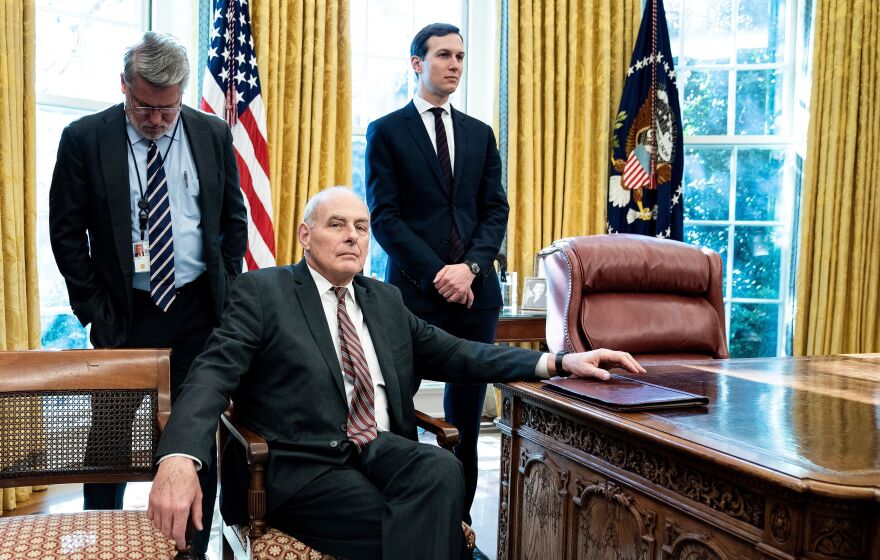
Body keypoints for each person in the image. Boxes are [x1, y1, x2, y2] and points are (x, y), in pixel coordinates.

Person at [147, 187, 644, 560]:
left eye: (362, 227)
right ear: (305, 235)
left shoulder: (383, 299)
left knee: (442, 468)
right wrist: (180, 455)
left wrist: (556, 361)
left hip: (382, 449)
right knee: (433, 526)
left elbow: (458, 353)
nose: (352, 237)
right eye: (337, 225)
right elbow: (212, 373)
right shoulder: (264, 292)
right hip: (304, 466)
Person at [49, 31, 248, 560]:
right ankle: (101, 540)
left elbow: (233, 220)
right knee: (108, 440)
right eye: (144, 106)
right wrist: (94, 310)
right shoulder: (85, 138)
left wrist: (224, 286)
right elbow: (66, 234)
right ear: (123, 87)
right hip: (125, 312)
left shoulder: (210, 133)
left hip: (198, 311)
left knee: (196, 435)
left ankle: (191, 548)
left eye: (167, 108)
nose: (157, 120)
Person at [365, 24, 508, 554]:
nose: (454, 64)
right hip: (412, 296)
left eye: (461, 57)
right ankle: (405, 524)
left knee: (467, 423)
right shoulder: (387, 131)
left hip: (476, 296)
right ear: (416, 63)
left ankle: (459, 532)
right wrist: (438, 274)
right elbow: (385, 218)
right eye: (443, 55)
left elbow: (496, 210)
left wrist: (469, 268)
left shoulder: (480, 133)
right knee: (397, 415)